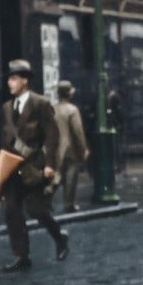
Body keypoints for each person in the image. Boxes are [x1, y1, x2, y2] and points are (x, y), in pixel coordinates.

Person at [0, 59, 69, 271]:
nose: (9, 83)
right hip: (13, 168)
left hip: (35, 168)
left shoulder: (40, 103)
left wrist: (50, 165)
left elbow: (52, 137)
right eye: (9, 79)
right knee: (12, 212)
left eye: (13, 79)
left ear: (24, 81)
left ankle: (59, 237)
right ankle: (22, 256)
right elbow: (5, 140)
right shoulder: (6, 108)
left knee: (37, 210)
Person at [54, 80, 89, 213]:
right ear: (69, 94)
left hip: (55, 147)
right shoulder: (72, 110)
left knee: (56, 175)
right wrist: (83, 148)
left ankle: (45, 203)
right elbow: (77, 131)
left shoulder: (53, 108)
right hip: (70, 148)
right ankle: (69, 204)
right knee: (70, 176)